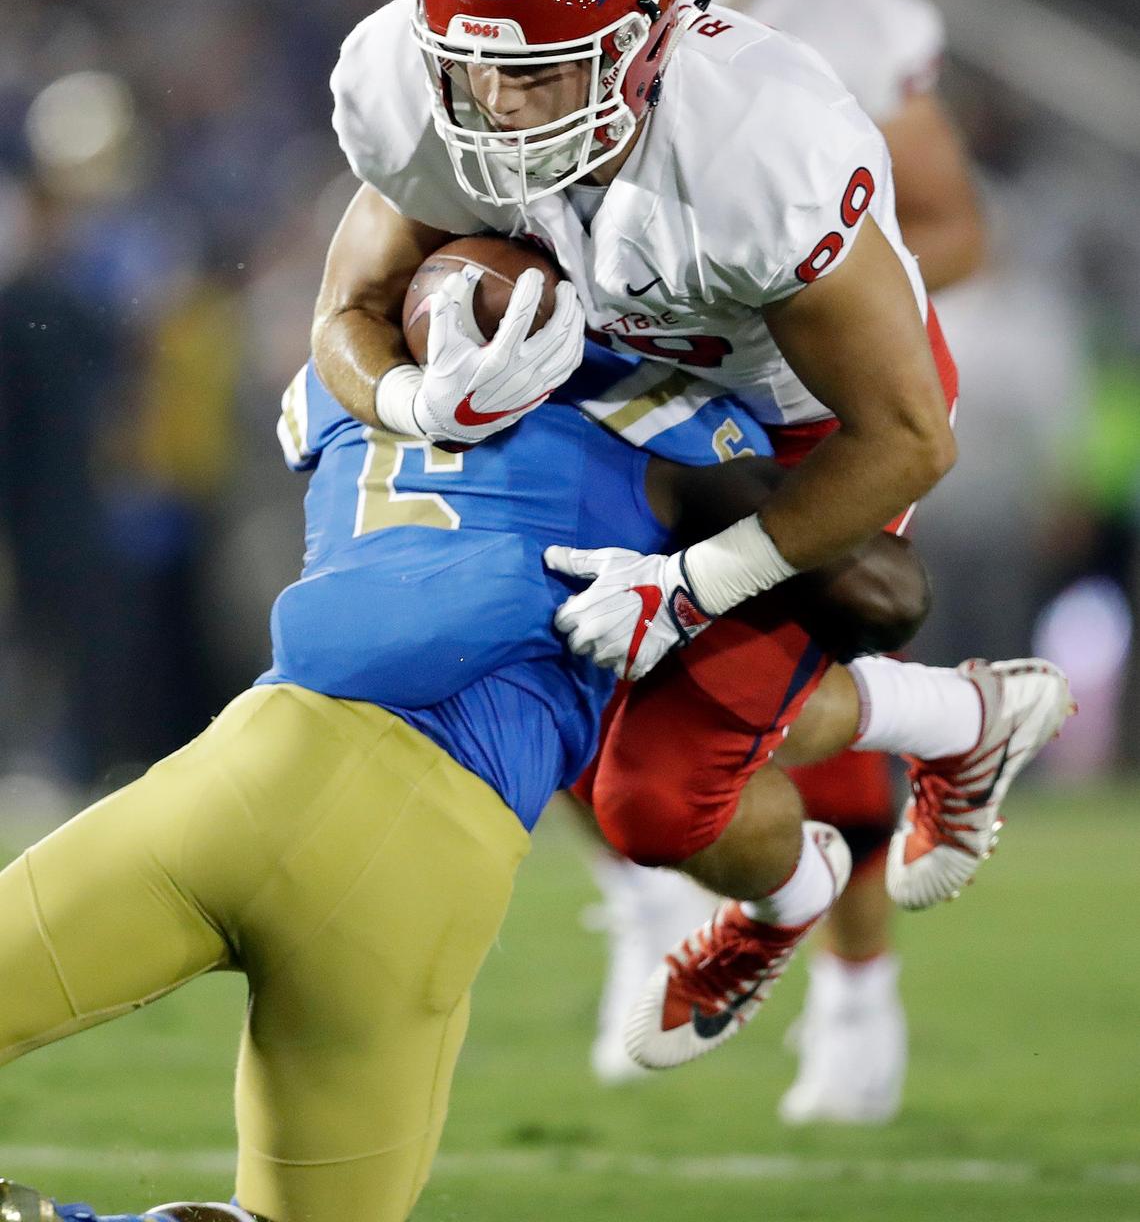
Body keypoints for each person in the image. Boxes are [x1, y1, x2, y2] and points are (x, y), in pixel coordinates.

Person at [315, 0, 1072, 1072]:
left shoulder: (758, 145)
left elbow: (912, 434)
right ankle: (862, 818)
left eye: (540, 77)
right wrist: (415, 396)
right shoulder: (416, 86)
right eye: (475, 74)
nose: (498, 113)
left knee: (657, 803)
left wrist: (693, 587)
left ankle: (940, 729)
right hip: (615, 372)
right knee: (490, 632)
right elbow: (341, 317)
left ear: (640, 51)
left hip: (793, 415)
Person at [0, 338, 925, 1222]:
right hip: (427, 847)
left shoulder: (335, 387)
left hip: (239, 774)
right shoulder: (647, 412)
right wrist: (711, 574)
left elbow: (356, 333)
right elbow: (880, 594)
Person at [573, 0, 988, 1113]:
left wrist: (791, 282)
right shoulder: (565, 40)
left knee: (770, 693)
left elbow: (952, 228)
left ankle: (860, 991)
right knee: (565, 658)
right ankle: (654, 897)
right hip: (642, 407)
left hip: (809, 413)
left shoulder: (846, 26)